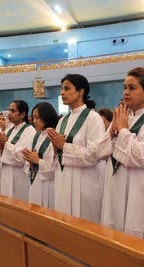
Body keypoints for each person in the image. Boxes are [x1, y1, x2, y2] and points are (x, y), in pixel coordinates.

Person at [96, 67, 144, 246]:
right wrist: (113, 133)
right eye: (124, 87)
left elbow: (142, 156)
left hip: (142, 193)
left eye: (132, 88)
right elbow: (99, 152)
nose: (126, 92)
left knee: (139, 247)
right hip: (118, 188)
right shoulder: (123, 116)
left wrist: (123, 130)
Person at [47, 74, 105, 224]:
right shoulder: (63, 121)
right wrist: (55, 149)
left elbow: (95, 154)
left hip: (85, 183)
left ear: (81, 92)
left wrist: (64, 146)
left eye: (67, 88)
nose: (62, 92)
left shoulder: (93, 118)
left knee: (84, 225)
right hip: (63, 181)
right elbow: (58, 155)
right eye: (62, 89)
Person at [0, 100, 36, 201]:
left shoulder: (29, 130)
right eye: (9, 110)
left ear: (22, 114)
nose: (9, 113)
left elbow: (22, 156)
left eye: (13, 111)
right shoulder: (10, 130)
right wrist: (1, 146)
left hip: (19, 176)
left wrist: (5, 144)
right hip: (6, 174)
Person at [22, 102, 59, 209]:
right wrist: (29, 161)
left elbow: (56, 166)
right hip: (35, 182)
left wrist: (37, 161)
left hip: (49, 184)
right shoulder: (37, 135)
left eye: (37, 118)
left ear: (46, 116)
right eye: (33, 118)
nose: (34, 121)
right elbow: (31, 158)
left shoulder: (54, 135)